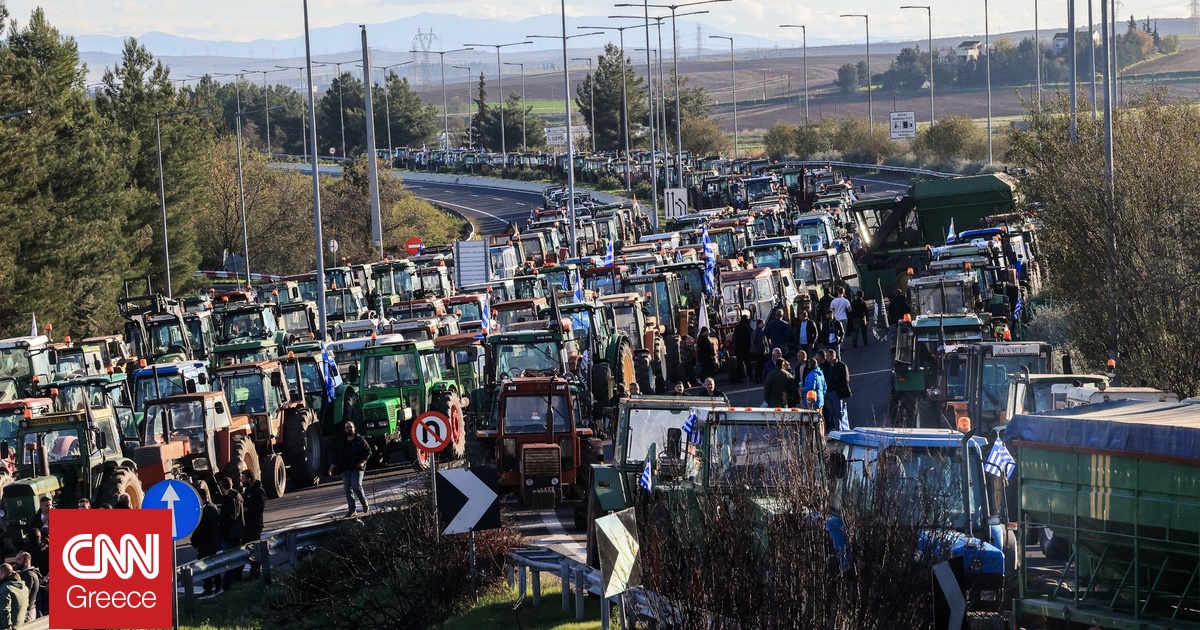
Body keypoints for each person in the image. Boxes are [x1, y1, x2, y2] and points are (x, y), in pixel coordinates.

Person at [329, 421, 371, 518]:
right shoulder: (342, 441)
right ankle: (352, 509)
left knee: (356, 485)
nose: (349, 429)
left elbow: (368, 451)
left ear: (354, 428)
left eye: (350, 427)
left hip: (357, 468)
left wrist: (363, 462)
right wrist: (332, 467)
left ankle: (364, 503)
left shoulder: (360, 440)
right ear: (345, 430)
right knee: (347, 488)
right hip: (345, 469)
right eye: (347, 427)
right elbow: (337, 455)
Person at [193, 485, 221, 597]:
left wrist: (195, 541)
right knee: (213, 565)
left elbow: (202, 529)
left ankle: (208, 588)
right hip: (212, 542)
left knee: (204, 566)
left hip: (206, 544)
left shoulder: (205, 510)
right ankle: (217, 585)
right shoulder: (213, 507)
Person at [217, 477, 245, 591]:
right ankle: (235, 579)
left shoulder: (231, 499)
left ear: (222, 486)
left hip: (230, 534)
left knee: (228, 560)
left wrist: (219, 518)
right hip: (236, 532)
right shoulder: (236, 496)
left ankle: (227, 583)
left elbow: (231, 516)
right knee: (235, 558)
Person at [241, 470, 267, 579]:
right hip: (247, 525)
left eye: (243, 478)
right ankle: (251, 571)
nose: (242, 480)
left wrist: (246, 510)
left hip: (255, 525)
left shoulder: (259, 491)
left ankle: (256, 571)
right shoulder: (247, 491)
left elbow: (260, 508)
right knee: (246, 548)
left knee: (255, 549)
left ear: (249, 479)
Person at [824, 350, 851, 432]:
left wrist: (837, 390)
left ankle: (842, 429)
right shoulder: (827, 366)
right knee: (832, 412)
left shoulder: (841, 365)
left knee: (838, 412)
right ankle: (837, 428)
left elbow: (845, 379)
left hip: (836, 393)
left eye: (828, 356)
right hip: (828, 392)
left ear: (833, 356)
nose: (826, 358)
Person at [13, 553, 39, 623]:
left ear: (26, 561)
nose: (16, 562)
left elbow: (26, 595)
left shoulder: (28, 575)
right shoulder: (27, 574)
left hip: (27, 612)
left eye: (19, 560)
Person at [0, 564, 26, 630]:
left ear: (1, 572)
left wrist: (7, 627)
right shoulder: (23, 587)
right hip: (19, 624)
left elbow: (5, 610)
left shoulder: (6, 588)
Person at [732, 312, 753, 384]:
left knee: (739, 364)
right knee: (748, 364)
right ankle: (751, 377)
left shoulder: (737, 327)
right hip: (745, 348)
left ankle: (738, 378)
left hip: (738, 348)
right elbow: (749, 337)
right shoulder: (746, 327)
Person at [752, 319, 769, 383]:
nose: (764, 324)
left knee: (759, 364)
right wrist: (764, 350)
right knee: (760, 365)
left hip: (755, 350)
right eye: (763, 323)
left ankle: (758, 377)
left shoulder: (754, 331)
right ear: (759, 324)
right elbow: (761, 342)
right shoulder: (760, 332)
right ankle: (758, 377)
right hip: (760, 351)